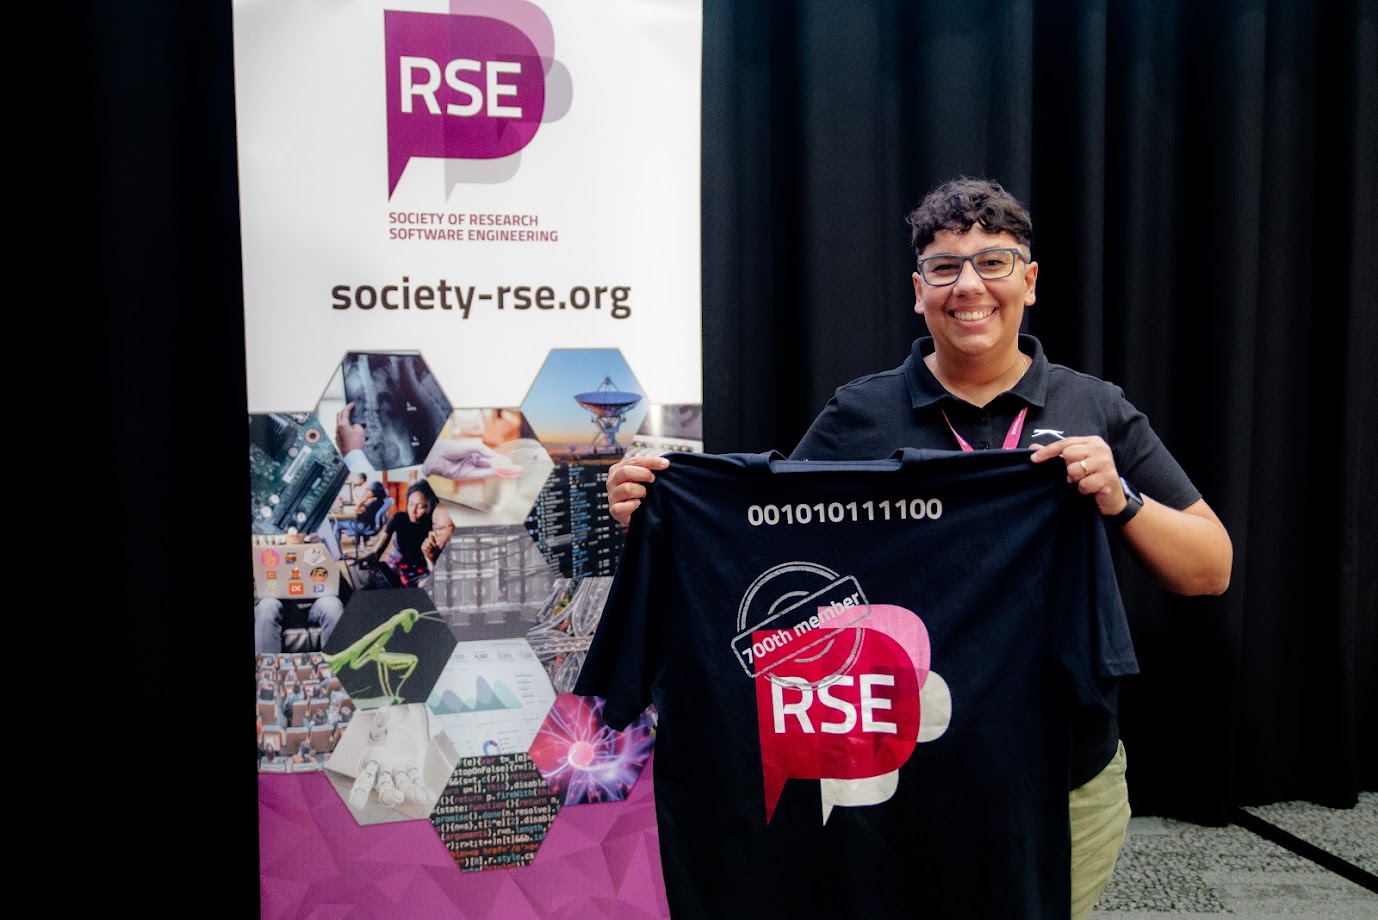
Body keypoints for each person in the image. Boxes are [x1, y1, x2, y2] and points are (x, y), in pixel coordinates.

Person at [604, 177, 1232, 920]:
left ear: (1028, 282)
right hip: (907, 777)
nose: (969, 286)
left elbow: (1210, 567)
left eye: (993, 263)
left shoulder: (1091, 409)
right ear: (918, 290)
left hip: (1060, 775)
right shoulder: (859, 415)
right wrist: (661, 515)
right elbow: (766, 545)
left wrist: (1119, 498)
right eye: (944, 268)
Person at [361, 479, 455, 587]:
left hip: (420, 568)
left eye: (420, 507)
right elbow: (379, 549)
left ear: (431, 506)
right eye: (410, 504)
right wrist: (373, 557)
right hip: (395, 562)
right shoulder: (398, 518)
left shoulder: (435, 526)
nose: (413, 511)